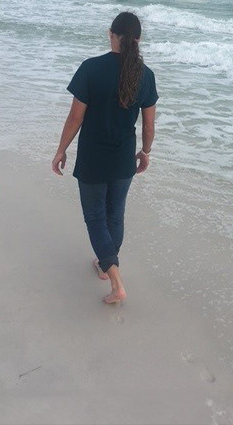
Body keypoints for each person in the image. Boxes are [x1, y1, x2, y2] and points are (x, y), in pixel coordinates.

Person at [52, 11, 157, 305]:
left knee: (96, 217)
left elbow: (75, 117)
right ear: (137, 40)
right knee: (115, 214)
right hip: (124, 159)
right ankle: (105, 264)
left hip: (93, 159)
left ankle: (115, 280)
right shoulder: (145, 75)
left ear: (111, 35)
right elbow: (148, 125)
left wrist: (61, 150)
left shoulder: (91, 68)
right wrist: (146, 152)